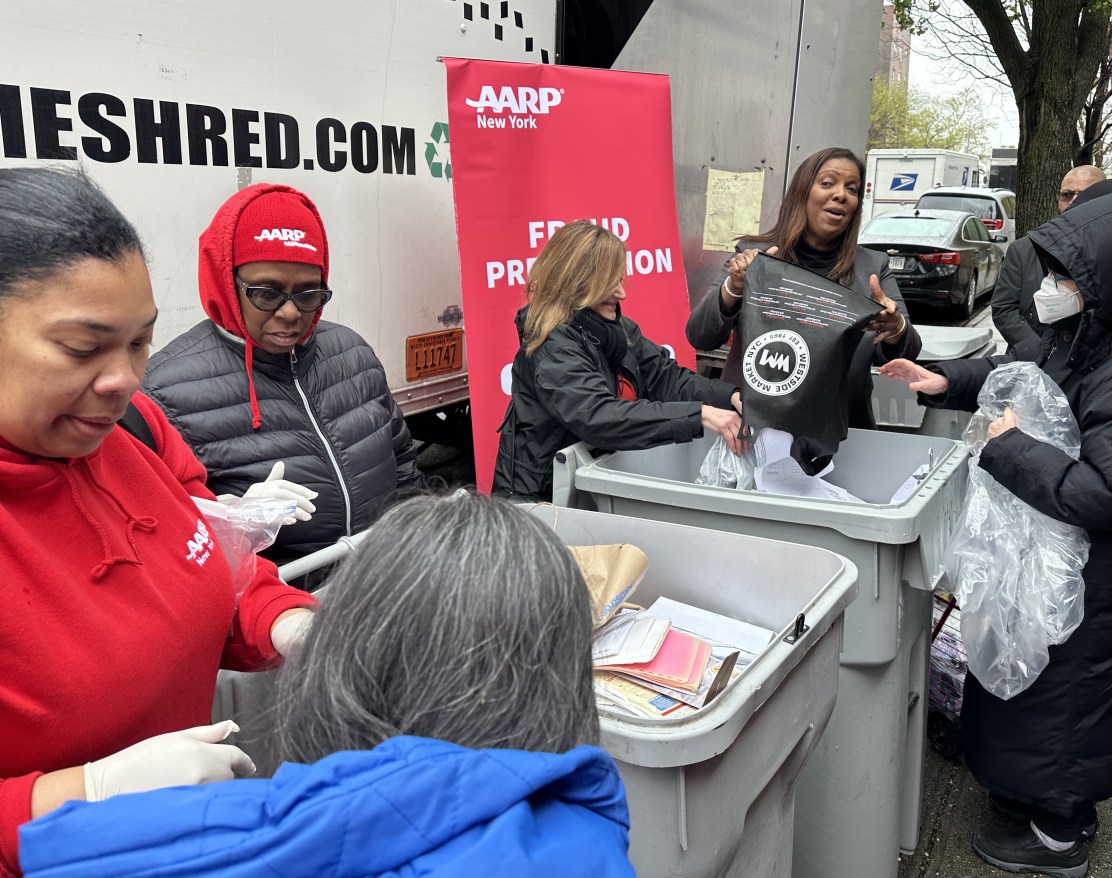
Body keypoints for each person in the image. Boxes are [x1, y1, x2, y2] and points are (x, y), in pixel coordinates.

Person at [18, 494, 636, 878]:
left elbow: (40, 847)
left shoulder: (169, 838)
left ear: (341, 661)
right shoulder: (588, 839)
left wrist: (86, 792)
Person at [0, 167, 318, 878]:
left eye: (139, 342)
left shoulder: (137, 432)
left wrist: (288, 621)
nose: (125, 379)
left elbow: (219, 573)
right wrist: (79, 796)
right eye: (84, 348)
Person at [881, 181, 1112, 877]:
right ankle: (1030, 795)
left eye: (1065, 274)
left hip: (1108, 576)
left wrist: (1008, 447)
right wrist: (945, 381)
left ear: (1107, 274)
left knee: (1073, 703)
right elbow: (1030, 374)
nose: (1051, 286)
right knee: (1041, 690)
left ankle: (1059, 832)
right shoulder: (1108, 332)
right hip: (1074, 564)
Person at [141, 183, 421, 571]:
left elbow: (404, 465)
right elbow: (160, 544)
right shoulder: (163, 392)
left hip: (382, 585)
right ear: (227, 281)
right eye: (267, 293)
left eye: (309, 294)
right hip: (276, 613)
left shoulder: (352, 352)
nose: (290, 313)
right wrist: (232, 521)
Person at [493, 220, 743, 500]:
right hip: (537, 500)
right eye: (609, 283)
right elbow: (599, 415)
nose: (621, 293)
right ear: (575, 283)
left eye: (620, 280)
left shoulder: (618, 329)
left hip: (583, 484)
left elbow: (664, 377)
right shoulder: (551, 345)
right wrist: (698, 415)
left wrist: (731, 396)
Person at [685, 146, 921, 430]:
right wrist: (734, 287)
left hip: (842, 434)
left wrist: (894, 327)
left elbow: (908, 350)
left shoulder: (872, 267)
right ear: (802, 191)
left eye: (852, 189)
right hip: (752, 426)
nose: (841, 195)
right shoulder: (754, 255)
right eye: (827, 183)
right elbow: (700, 335)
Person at [991, 165, 1106, 360]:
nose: (1074, 202)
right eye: (1067, 195)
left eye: (1085, 194)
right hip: (1031, 364)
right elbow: (1004, 309)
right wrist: (1040, 349)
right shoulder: (1023, 249)